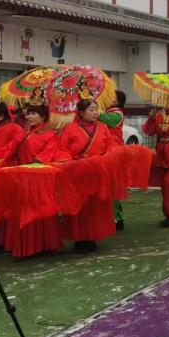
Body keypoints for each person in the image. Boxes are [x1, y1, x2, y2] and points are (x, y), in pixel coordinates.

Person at [1, 89, 63, 259]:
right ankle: (25, 248)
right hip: (22, 178)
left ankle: (43, 245)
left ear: (43, 116)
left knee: (39, 212)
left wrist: (36, 163)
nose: (29, 117)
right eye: (28, 113)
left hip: (39, 179)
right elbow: (9, 150)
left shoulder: (49, 134)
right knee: (23, 212)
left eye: (33, 113)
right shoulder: (24, 133)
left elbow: (49, 153)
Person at [56, 91, 118, 253]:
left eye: (96, 110)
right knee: (80, 207)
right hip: (77, 173)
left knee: (95, 206)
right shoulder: (70, 129)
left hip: (97, 172)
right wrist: (70, 162)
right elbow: (62, 150)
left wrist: (105, 159)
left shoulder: (103, 128)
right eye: (91, 110)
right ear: (81, 113)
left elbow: (111, 147)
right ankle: (80, 238)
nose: (95, 113)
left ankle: (92, 237)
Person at [99, 90, 126, 231]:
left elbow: (102, 118)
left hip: (113, 153)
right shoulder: (109, 112)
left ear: (117, 101)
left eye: (111, 97)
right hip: (107, 153)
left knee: (112, 187)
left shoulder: (116, 114)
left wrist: (93, 108)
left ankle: (117, 219)